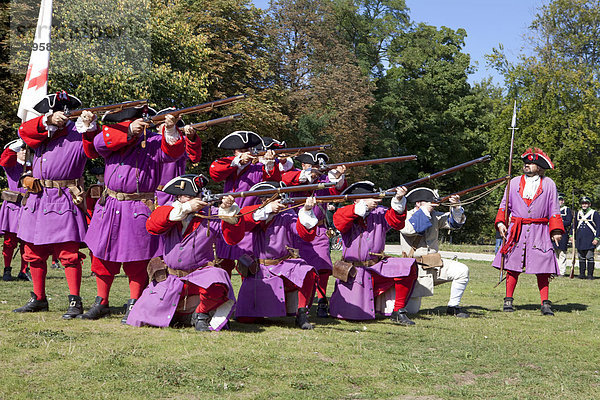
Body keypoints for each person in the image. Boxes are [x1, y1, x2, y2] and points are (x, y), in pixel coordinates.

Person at [81, 105, 199, 322]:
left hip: (138, 206)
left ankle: (135, 301)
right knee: (101, 257)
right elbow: (98, 143)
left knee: (137, 260)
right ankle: (101, 300)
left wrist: (171, 128)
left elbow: (173, 152)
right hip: (110, 203)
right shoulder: (114, 139)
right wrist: (128, 131)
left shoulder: (154, 142)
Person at [13, 91, 99, 318]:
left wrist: (89, 127)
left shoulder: (79, 131)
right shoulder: (43, 131)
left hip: (64, 195)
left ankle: (75, 301)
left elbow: (93, 149)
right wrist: (48, 120)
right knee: (33, 251)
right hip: (38, 196)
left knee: (68, 253)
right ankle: (38, 298)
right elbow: (23, 131)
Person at [126, 174, 244, 331]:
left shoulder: (211, 213)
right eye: (189, 197)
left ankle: (201, 314)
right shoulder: (170, 211)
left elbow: (233, 239)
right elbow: (153, 225)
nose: (195, 199)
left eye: (197, 196)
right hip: (171, 278)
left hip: (201, 275)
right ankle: (184, 316)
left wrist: (229, 212)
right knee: (140, 315)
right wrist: (187, 208)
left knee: (218, 279)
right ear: (179, 197)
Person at [234, 181, 320, 329]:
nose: (263, 201)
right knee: (245, 319)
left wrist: (306, 210)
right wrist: (267, 209)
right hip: (259, 268)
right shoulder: (257, 213)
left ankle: (302, 314)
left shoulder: (287, 214)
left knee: (307, 272)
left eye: (268, 198)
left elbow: (303, 234)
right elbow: (243, 220)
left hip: (283, 265)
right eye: (262, 199)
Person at [330, 181, 418, 326]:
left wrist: (398, 200)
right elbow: (340, 222)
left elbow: (397, 223)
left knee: (408, 267)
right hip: (354, 271)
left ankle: (398, 311)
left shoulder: (380, 212)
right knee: (353, 315)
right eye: (371, 197)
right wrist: (359, 210)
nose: (377, 200)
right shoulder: (346, 211)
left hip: (377, 267)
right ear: (358, 199)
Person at [493, 148, 565, 316]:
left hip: (540, 230)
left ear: (539, 167)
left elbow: (554, 209)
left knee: (544, 267)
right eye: (526, 163)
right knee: (512, 265)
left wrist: (555, 230)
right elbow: (504, 205)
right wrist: (501, 222)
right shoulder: (514, 182)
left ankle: (545, 303)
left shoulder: (549, 184)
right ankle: (508, 300)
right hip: (516, 230)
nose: (527, 165)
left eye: (531, 163)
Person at [282, 151, 347, 317]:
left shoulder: (324, 181)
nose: (317, 169)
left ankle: (322, 301)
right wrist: (307, 176)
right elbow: (286, 179)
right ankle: (296, 304)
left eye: (319, 166)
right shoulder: (296, 176)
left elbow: (337, 192)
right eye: (313, 166)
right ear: (304, 166)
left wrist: (338, 176)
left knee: (323, 267)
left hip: (319, 230)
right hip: (296, 229)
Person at [209, 131, 280, 275]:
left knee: (248, 267)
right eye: (241, 151)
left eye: (247, 150)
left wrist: (270, 163)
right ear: (235, 153)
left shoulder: (259, 168)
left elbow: (273, 183)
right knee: (222, 266)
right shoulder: (230, 165)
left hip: (249, 220)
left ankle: (247, 297)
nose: (246, 153)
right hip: (228, 218)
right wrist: (237, 161)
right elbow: (215, 172)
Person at [399, 187, 470, 318]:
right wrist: (425, 211)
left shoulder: (435, 216)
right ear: (418, 203)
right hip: (415, 269)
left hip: (434, 265)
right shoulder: (406, 216)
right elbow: (410, 230)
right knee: (412, 311)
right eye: (429, 202)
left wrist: (456, 207)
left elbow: (455, 223)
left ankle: (453, 306)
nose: (433, 204)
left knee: (462, 270)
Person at [0, 139, 29, 281]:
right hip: (13, 207)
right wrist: (20, 141)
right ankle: (7, 269)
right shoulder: (11, 166)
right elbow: (5, 159)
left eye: (26, 149)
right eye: (21, 149)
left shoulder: (34, 167)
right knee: (9, 241)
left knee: (26, 241)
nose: (24, 152)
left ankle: (24, 270)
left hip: (28, 206)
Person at [574, 196, 600, 280]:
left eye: (586, 203)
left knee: (589, 257)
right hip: (580, 238)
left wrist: (597, 238)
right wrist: (572, 236)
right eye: (583, 203)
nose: (584, 205)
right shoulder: (578, 213)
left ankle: (590, 275)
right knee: (581, 257)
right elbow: (574, 226)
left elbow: (599, 227)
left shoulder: (594, 213)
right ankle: (581, 274)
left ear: (589, 204)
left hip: (590, 238)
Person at [553, 193, 573, 276]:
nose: (559, 202)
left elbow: (568, 221)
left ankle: (562, 271)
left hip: (563, 234)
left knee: (562, 253)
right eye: (558, 200)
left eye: (560, 200)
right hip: (553, 233)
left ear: (563, 201)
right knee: (555, 253)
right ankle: (555, 270)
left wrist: (558, 223)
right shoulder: (553, 209)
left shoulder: (566, 209)